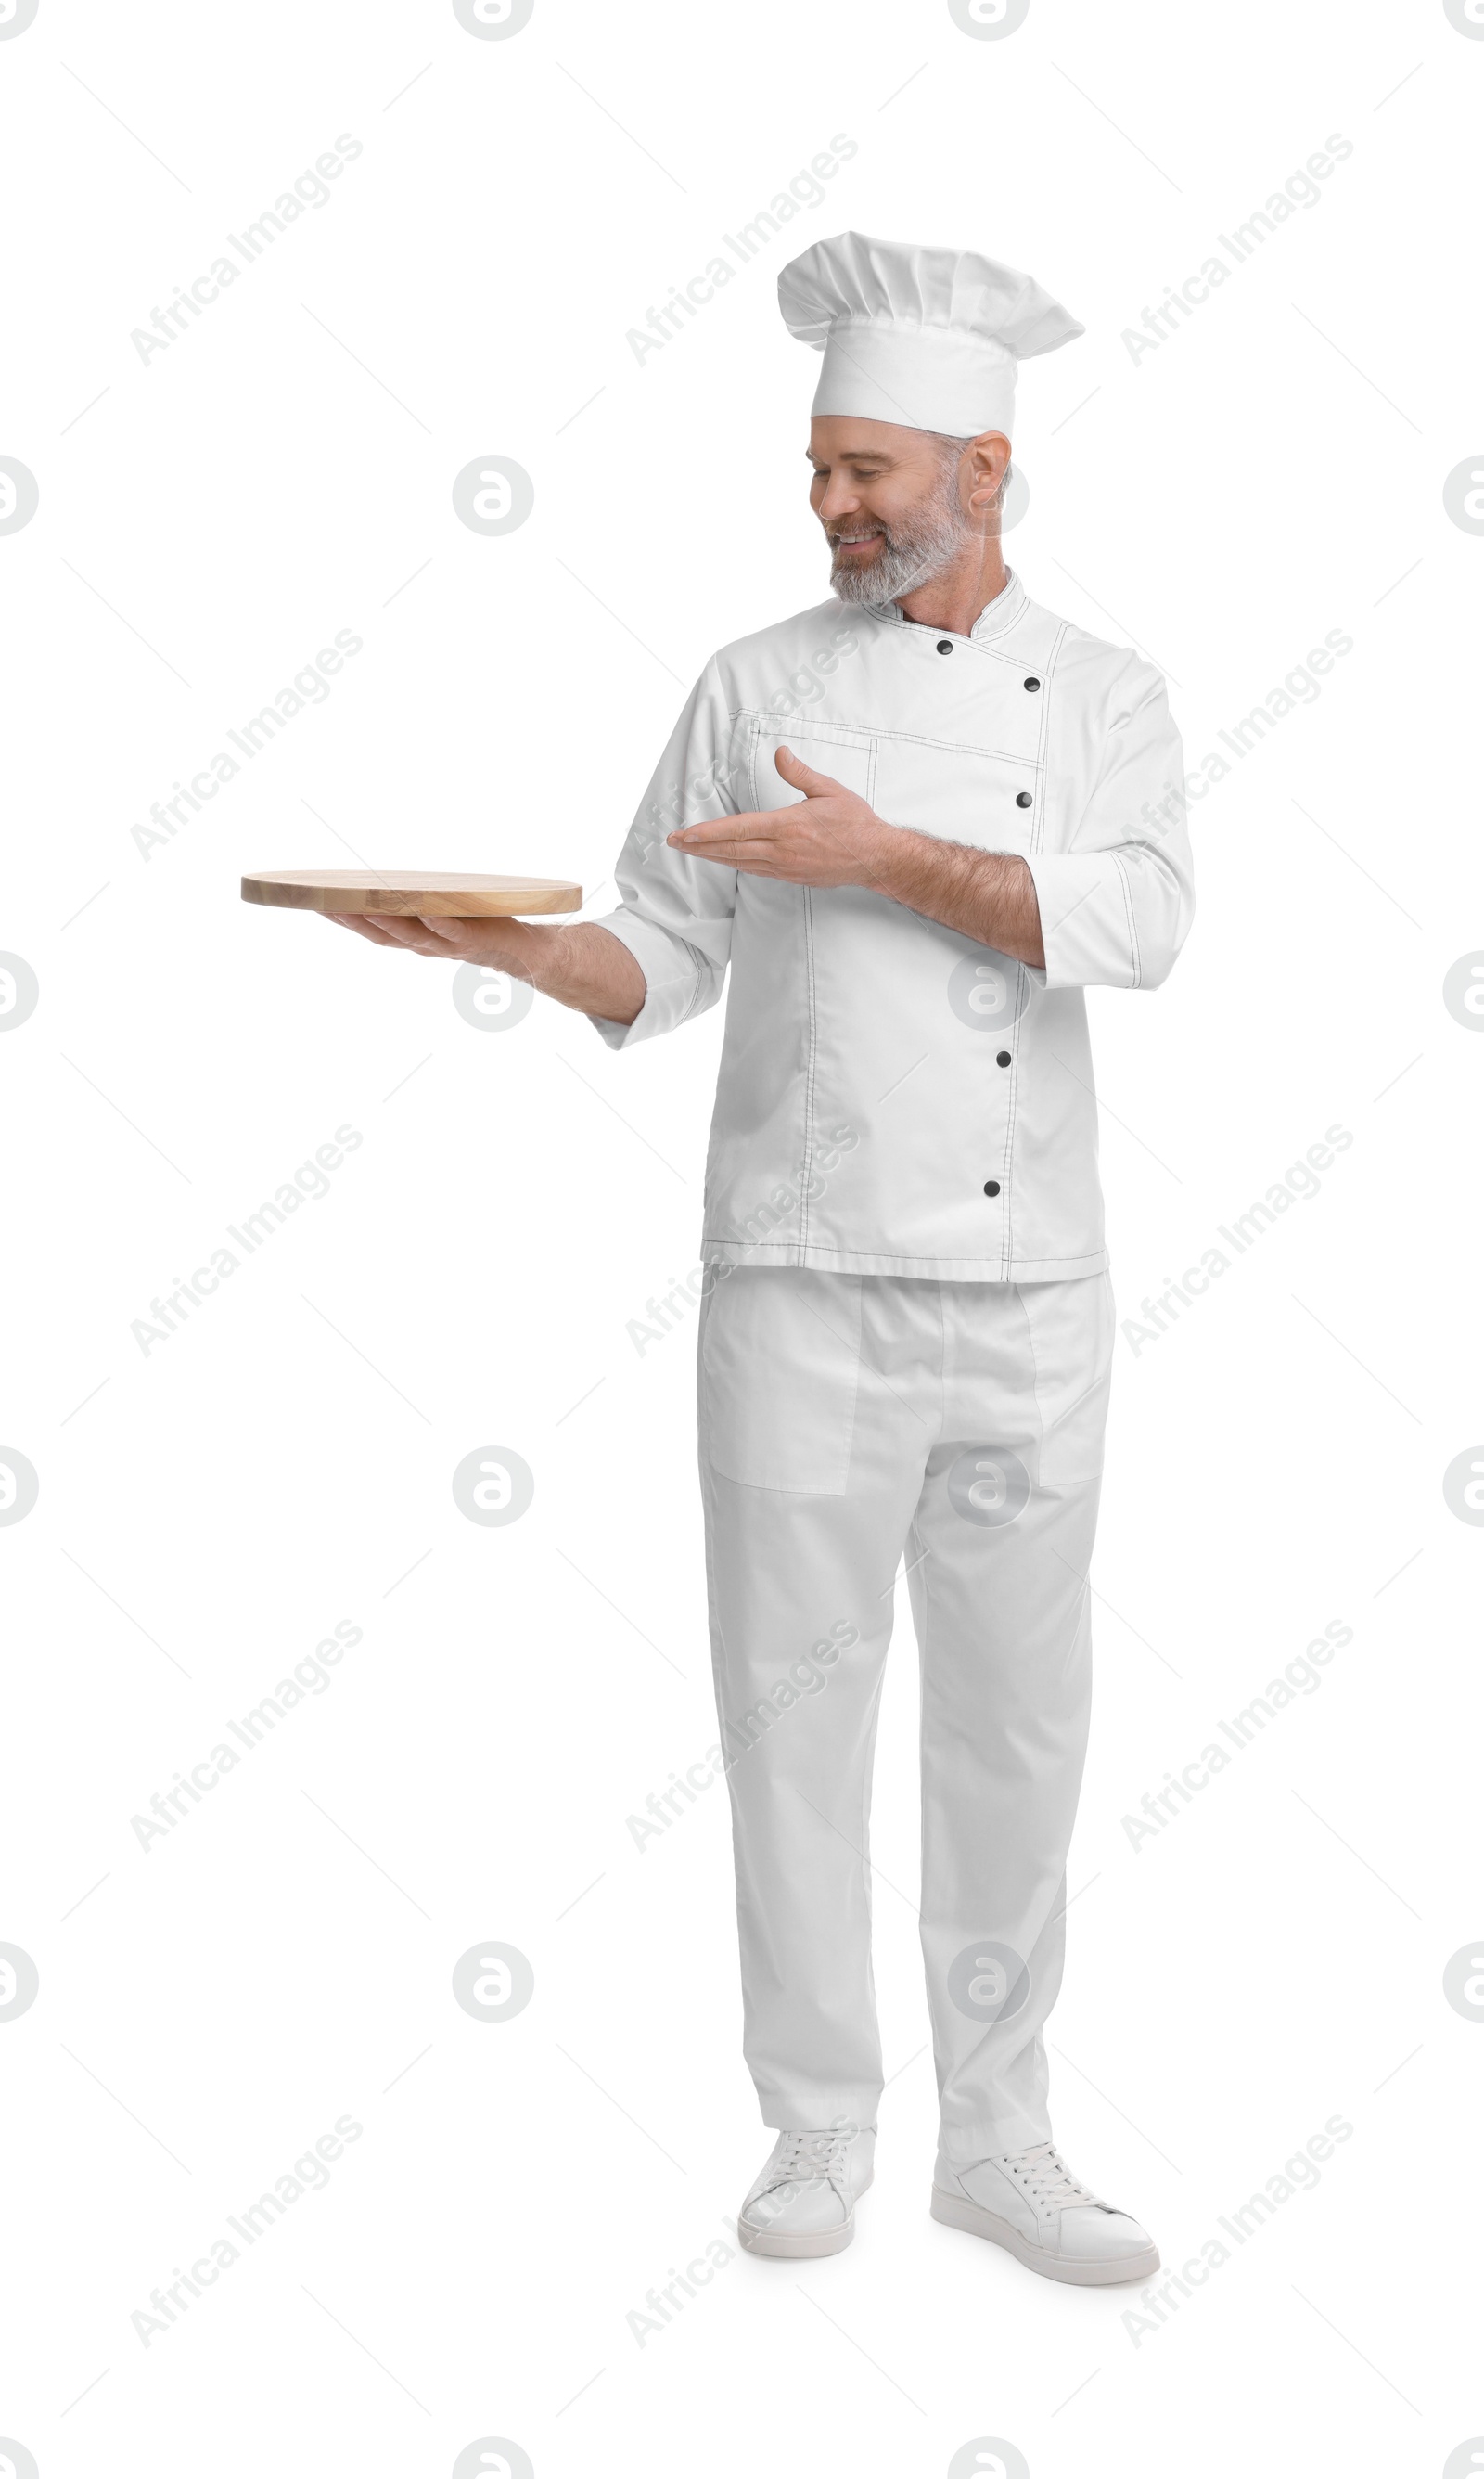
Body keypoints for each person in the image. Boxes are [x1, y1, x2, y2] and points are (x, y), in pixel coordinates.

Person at [328, 232, 1195, 2287]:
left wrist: (881, 854)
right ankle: (817, 2124)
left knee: (1013, 1729)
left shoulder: (1106, 694)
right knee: (789, 1716)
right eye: (816, 468)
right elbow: (660, 939)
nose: (830, 506)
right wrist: (510, 950)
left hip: (1027, 1299)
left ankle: (998, 2136)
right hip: (795, 1280)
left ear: (984, 474)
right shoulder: (749, 685)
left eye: (869, 471)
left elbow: (1139, 928)